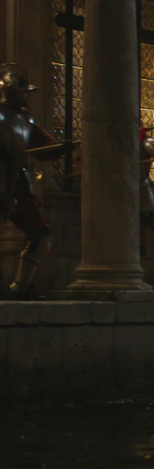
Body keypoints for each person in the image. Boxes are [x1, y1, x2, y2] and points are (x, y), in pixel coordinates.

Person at [0, 63, 72, 299]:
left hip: (18, 182)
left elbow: (42, 146)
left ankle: (20, 287)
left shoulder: (27, 118)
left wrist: (61, 148)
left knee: (40, 236)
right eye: (23, 92)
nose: (26, 96)